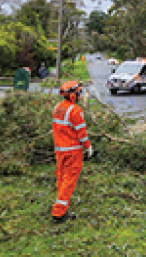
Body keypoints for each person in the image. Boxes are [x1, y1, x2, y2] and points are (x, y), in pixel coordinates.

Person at [51, 81, 94, 223]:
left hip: (60, 151)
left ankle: (62, 206)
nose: (80, 95)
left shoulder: (57, 108)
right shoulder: (75, 111)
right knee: (69, 181)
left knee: (62, 180)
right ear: (72, 96)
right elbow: (81, 133)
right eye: (78, 93)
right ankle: (59, 212)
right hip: (73, 152)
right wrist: (88, 147)